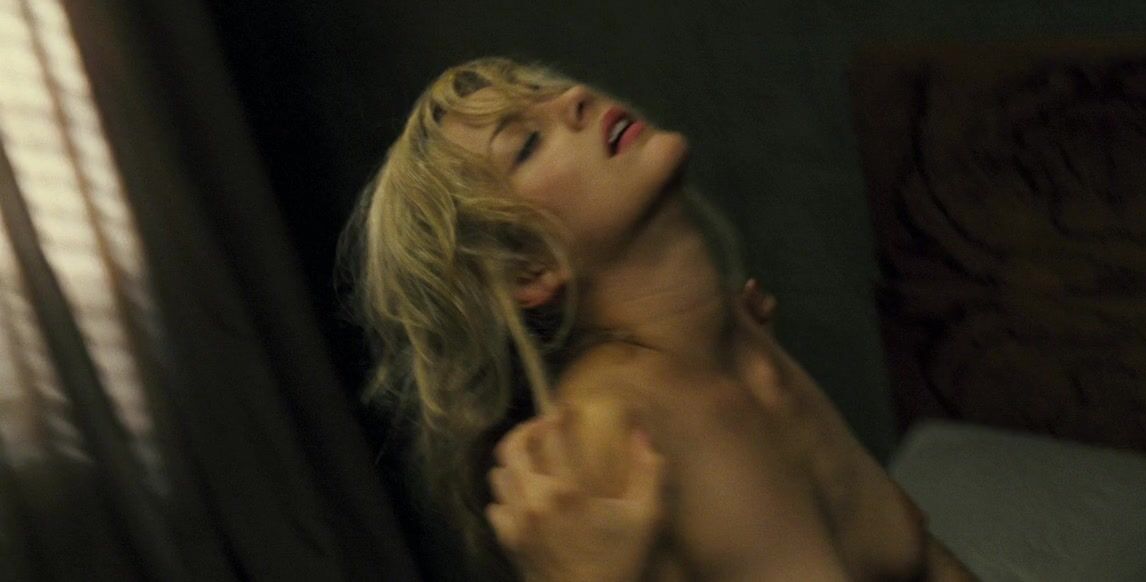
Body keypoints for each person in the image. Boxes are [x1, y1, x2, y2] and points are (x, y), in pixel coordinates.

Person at [341, 57, 974, 581]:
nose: (576, 98)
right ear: (527, 270)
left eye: (549, 90)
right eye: (526, 143)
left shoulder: (738, 342)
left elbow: (923, 563)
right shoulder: (611, 436)